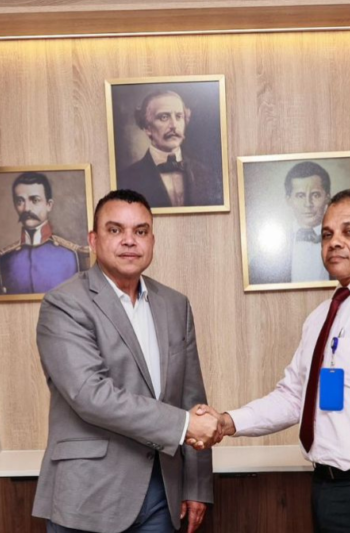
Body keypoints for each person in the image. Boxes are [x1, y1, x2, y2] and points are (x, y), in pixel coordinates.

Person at [199, 189, 350, 533]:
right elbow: (293, 397)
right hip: (326, 489)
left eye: (349, 231)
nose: (334, 242)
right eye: (327, 234)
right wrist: (227, 422)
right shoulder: (321, 317)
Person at [32, 189, 217, 533]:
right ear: (93, 240)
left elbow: (191, 397)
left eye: (140, 231)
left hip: (162, 493)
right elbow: (91, 395)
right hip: (89, 495)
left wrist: (196, 484)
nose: (129, 240)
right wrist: (183, 424)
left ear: (152, 241)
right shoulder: (64, 304)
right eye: (115, 230)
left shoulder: (175, 305)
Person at [0, 172, 91, 295]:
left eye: (35, 200)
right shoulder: (2, 260)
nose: (26, 209)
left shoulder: (74, 255)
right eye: (20, 201)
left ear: (49, 205)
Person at [117, 90, 223, 208]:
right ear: (147, 128)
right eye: (164, 117)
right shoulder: (126, 179)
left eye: (179, 116)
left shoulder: (208, 176)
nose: (174, 125)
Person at [249, 161, 331, 285]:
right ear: (288, 200)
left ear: (327, 198)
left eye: (315, 195)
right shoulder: (263, 258)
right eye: (300, 195)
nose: (308, 204)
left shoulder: (345, 245)